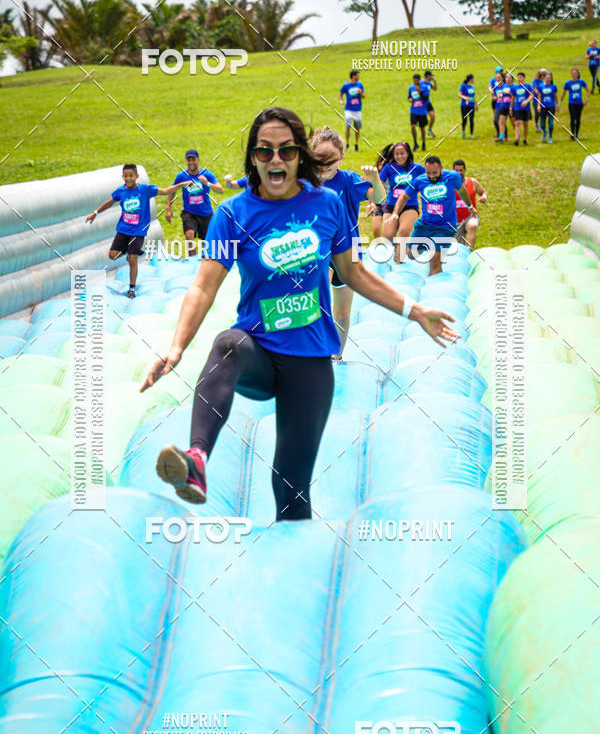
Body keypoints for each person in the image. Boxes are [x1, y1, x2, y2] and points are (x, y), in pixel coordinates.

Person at [141, 107, 459, 519]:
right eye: (265, 151)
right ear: (253, 157)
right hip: (259, 352)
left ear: (299, 156)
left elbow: (354, 274)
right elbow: (203, 285)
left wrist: (415, 311)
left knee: (289, 486)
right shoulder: (233, 214)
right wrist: (176, 347)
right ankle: (197, 461)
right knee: (227, 344)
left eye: (287, 151)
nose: (276, 160)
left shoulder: (328, 205)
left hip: (310, 364)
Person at [310, 125, 386, 359]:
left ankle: (336, 355)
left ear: (340, 158)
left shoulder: (348, 181)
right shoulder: (305, 182)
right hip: (316, 253)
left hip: (347, 253)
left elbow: (381, 198)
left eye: (331, 158)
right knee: (316, 302)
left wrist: (374, 180)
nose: (325, 163)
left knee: (341, 313)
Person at [85, 164, 191, 298]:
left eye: (131, 175)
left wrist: (181, 184)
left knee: (133, 259)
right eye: (126, 176)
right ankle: (129, 250)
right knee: (112, 255)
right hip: (123, 229)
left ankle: (132, 288)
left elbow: (165, 191)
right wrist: (95, 213)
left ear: (136, 176)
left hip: (138, 231)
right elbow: (110, 202)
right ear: (123, 177)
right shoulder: (121, 191)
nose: (128, 178)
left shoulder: (145, 190)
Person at [387, 154, 475, 277]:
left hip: (445, 227)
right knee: (412, 254)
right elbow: (404, 197)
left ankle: (436, 289)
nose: (432, 176)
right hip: (425, 225)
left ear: (441, 168)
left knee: (434, 261)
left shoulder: (452, 177)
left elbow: (462, 191)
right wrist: (395, 213)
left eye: (435, 173)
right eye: (429, 173)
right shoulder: (420, 180)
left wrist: (470, 207)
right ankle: (417, 248)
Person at [166, 149, 223, 257]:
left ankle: (203, 265)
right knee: (189, 235)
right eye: (189, 160)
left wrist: (207, 183)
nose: (191, 162)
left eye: (193, 159)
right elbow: (172, 190)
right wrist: (168, 208)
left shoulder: (207, 174)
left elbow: (220, 190)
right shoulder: (182, 176)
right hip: (189, 212)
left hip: (206, 214)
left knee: (205, 243)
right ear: (186, 161)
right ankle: (192, 262)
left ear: (198, 160)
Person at [379, 142, 426, 261]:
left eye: (402, 153)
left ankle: (400, 261)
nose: (399, 156)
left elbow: (428, 180)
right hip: (391, 205)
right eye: (397, 154)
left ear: (408, 154)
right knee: (388, 235)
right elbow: (378, 183)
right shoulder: (389, 168)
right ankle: (398, 249)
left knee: (404, 231)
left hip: (410, 206)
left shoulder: (417, 168)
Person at [452, 159, 488, 250]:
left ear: (465, 170)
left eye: (461, 170)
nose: (459, 173)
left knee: (472, 226)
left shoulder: (472, 182)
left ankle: (469, 249)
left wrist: (484, 197)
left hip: (471, 215)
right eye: (457, 171)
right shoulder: (449, 184)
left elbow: (483, 192)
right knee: (458, 248)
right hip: (456, 220)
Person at [560, 68, 590, 141]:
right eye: (573, 73)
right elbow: (564, 93)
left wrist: (587, 99)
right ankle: (572, 134)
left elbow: (588, 90)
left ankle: (577, 134)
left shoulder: (581, 81)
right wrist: (560, 102)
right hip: (571, 103)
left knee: (578, 119)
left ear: (578, 74)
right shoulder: (568, 83)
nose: (574, 75)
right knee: (572, 118)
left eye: (575, 73)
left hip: (579, 103)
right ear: (571, 74)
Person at [339, 70, 365, 151]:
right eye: (357, 75)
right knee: (348, 126)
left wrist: (361, 93)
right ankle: (347, 144)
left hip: (357, 109)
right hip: (349, 110)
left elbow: (363, 97)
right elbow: (340, 94)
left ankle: (356, 144)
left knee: (357, 127)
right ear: (353, 76)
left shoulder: (359, 84)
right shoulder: (346, 85)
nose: (358, 77)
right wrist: (341, 101)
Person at [510, 72, 534, 146]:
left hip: (526, 108)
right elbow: (513, 98)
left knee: (525, 124)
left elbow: (531, 95)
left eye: (521, 77)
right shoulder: (515, 88)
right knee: (517, 123)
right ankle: (517, 139)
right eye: (518, 77)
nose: (519, 79)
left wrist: (526, 101)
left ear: (524, 78)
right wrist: (511, 108)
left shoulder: (527, 86)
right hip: (517, 107)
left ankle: (524, 139)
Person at [408, 74, 428, 151]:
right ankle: (415, 143)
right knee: (413, 126)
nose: (415, 82)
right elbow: (409, 96)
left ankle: (423, 143)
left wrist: (419, 91)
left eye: (416, 81)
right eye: (414, 81)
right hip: (414, 110)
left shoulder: (424, 87)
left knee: (422, 128)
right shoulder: (411, 87)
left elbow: (426, 98)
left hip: (422, 111)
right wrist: (410, 99)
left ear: (419, 80)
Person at [538, 72, 559, 144]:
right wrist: (538, 105)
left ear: (551, 79)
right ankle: (544, 132)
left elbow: (555, 96)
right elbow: (539, 97)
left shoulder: (553, 86)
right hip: (543, 107)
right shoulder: (541, 86)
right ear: (544, 78)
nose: (548, 79)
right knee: (542, 124)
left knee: (550, 123)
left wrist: (557, 105)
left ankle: (550, 137)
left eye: (549, 78)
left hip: (551, 107)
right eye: (547, 78)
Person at [494, 72, 514, 143]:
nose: (508, 79)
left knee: (514, 122)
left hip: (511, 107)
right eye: (507, 77)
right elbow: (501, 95)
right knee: (501, 122)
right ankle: (501, 137)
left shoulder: (514, 87)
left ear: (512, 79)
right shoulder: (503, 86)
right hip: (503, 106)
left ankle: (517, 134)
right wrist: (498, 96)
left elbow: (515, 96)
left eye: (509, 78)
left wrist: (508, 93)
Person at [489, 66, 505, 140]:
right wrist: (491, 91)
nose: (499, 72)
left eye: (500, 71)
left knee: (500, 119)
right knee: (496, 118)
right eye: (498, 71)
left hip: (503, 103)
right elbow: (490, 87)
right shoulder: (493, 80)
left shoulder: (504, 81)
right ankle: (500, 133)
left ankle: (502, 134)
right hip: (495, 101)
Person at [458, 74, 477, 138]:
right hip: (464, 106)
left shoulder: (472, 87)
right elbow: (459, 95)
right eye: (473, 79)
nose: (474, 80)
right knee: (464, 120)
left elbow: (473, 97)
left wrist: (476, 104)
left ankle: (471, 134)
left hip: (471, 106)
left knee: (471, 120)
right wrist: (466, 98)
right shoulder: (463, 86)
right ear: (470, 79)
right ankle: (463, 131)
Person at [422, 70, 437, 137]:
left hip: (428, 102)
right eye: (431, 76)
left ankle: (429, 130)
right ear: (428, 76)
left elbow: (435, 89)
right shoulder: (421, 83)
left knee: (433, 116)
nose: (432, 77)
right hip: (422, 104)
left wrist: (434, 81)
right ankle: (423, 133)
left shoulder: (429, 83)